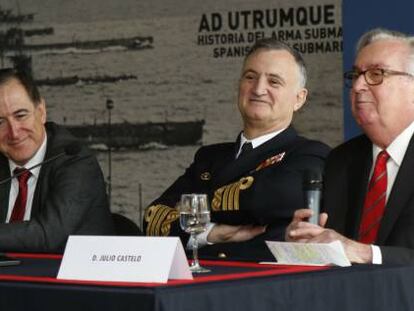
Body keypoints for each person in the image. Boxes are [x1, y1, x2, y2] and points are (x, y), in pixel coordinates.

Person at [144, 38, 330, 261]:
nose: (259, 89)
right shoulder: (208, 157)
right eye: (250, 77)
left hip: (256, 287)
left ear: (299, 99)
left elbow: (272, 199)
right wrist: (212, 233)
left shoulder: (310, 154)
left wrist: (192, 213)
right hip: (195, 287)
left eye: (274, 82)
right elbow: (153, 218)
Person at [286, 28, 414, 264]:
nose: (357, 87)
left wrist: (366, 253)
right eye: (355, 75)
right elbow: (332, 247)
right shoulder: (341, 160)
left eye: (376, 74)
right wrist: (306, 242)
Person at [0, 68, 114, 252]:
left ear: (41, 111)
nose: (13, 131)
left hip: (71, 278)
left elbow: (48, 235)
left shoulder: (76, 161)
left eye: (21, 115)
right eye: (0, 122)